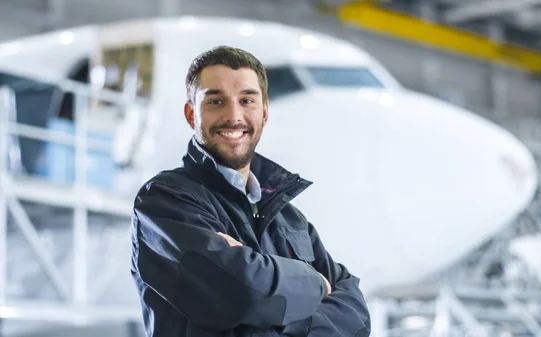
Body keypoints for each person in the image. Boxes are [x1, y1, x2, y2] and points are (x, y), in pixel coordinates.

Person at [130, 45, 371, 337]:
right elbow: (239, 295)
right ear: (191, 114)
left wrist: (281, 314)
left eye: (247, 100)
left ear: (264, 112)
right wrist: (316, 283)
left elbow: (357, 318)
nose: (234, 116)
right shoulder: (165, 202)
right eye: (216, 101)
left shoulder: (290, 219)